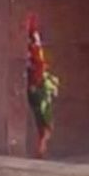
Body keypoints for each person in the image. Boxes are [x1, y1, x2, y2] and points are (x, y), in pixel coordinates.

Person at [26, 14, 60, 159]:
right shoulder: (34, 45)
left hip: (36, 86)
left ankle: (41, 147)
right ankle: (41, 147)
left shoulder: (33, 44)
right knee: (45, 122)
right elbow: (38, 63)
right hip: (37, 87)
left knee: (44, 121)